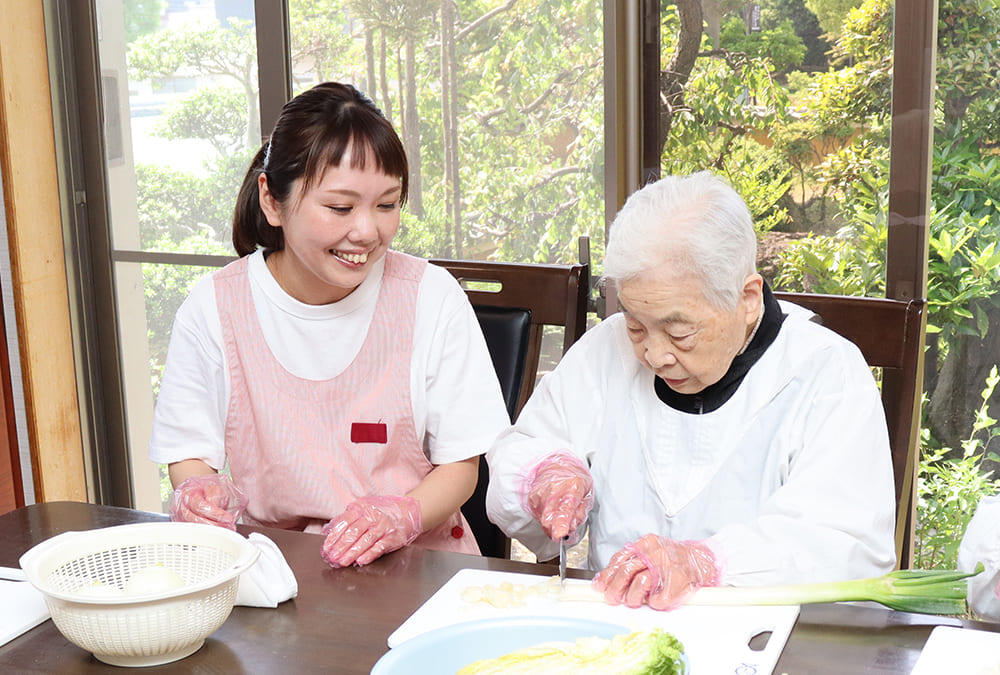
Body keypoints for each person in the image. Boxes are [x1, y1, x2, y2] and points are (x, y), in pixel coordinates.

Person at [485, 171, 897, 610]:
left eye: (679, 332)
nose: (655, 355)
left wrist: (707, 563)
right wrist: (545, 473)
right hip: (615, 631)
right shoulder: (607, 349)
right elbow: (525, 448)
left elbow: (846, 542)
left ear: (748, 297)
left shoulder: (825, 372)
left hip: (767, 641)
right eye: (637, 325)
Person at [149, 82, 509, 568]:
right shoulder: (214, 307)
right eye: (340, 207)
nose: (366, 231)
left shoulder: (431, 296)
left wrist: (401, 515)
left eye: (386, 205)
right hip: (278, 570)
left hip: (417, 567)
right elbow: (190, 452)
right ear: (272, 201)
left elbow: (462, 466)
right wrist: (198, 492)